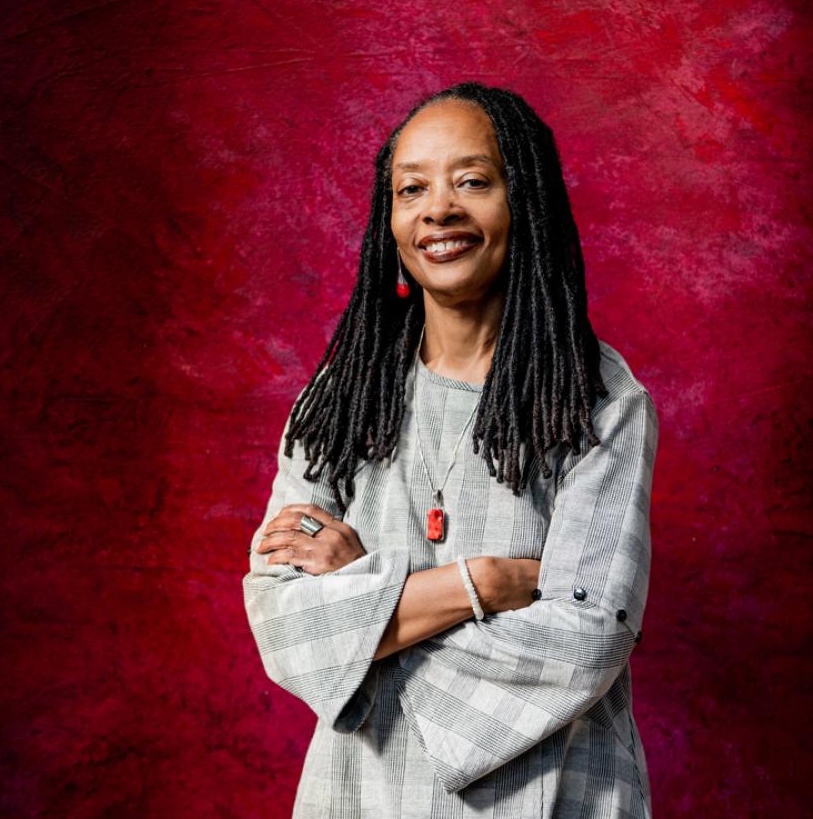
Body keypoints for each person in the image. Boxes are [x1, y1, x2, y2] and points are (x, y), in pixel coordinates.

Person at [241, 81, 659, 818]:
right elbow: (283, 625)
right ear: (391, 220)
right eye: (412, 189)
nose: (439, 209)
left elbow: (585, 641)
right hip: (359, 797)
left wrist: (361, 607)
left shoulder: (598, 400)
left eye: (473, 181)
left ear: (522, 202)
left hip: (553, 798)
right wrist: (485, 584)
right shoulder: (343, 397)